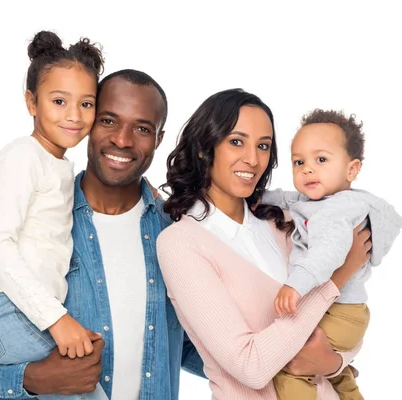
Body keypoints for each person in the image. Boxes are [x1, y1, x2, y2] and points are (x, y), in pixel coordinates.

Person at [0, 68, 204, 400]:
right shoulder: (42, 218)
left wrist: (273, 362)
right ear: (88, 123)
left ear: (159, 138)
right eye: (108, 120)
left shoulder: (175, 234)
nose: (122, 139)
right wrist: (30, 379)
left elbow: (194, 343)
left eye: (142, 128)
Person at [156, 89, 371, 399]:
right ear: (204, 148)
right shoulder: (181, 244)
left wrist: (335, 363)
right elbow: (251, 367)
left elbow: (345, 324)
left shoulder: (285, 221)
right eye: (236, 142)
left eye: (263, 146)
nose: (253, 159)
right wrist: (338, 277)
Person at [0, 30, 107, 400]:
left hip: (11, 309)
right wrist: (57, 320)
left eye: (86, 104)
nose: (74, 115)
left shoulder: (58, 165)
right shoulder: (24, 155)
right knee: (84, 383)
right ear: (31, 102)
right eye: (59, 101)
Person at [262, 109, 402, 400]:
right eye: (298, 162)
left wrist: (295, 285)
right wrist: (254, 196)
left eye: (321, 159)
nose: (307, 169)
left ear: (351, 170)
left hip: (338, 312)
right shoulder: (315, 199)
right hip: (350, 311)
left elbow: (328, 254)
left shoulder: (337, 211)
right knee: (334, 372)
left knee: (292, 365)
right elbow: (284, 198)